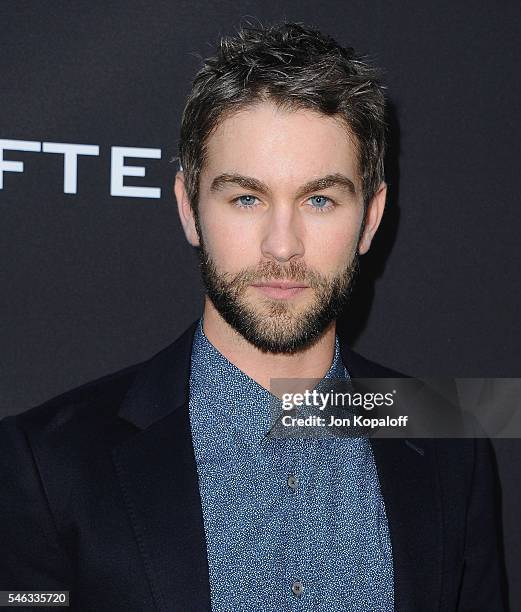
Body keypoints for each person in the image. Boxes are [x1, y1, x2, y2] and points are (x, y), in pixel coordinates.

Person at [0, 21, 506, 611]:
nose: (282, 244)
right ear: (190, 208)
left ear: (370, 217)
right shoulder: (48, 464)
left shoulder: (448, 439)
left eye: (319, 199)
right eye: (246, 198)